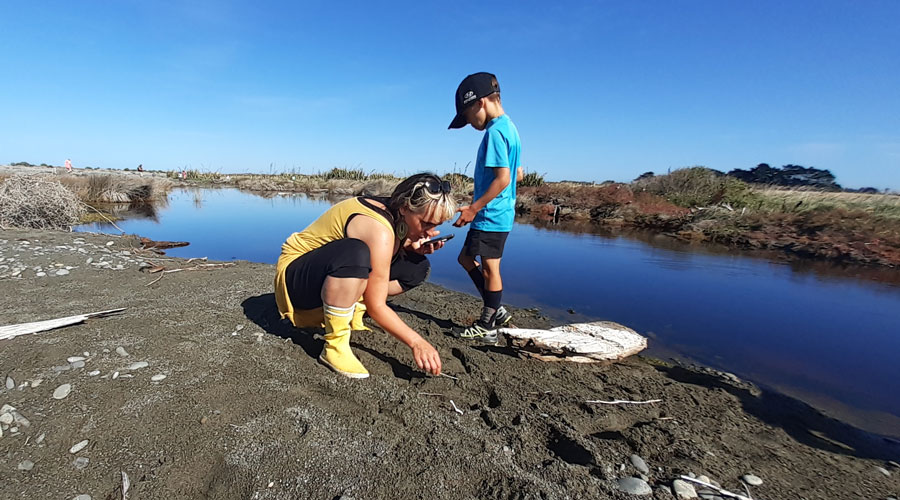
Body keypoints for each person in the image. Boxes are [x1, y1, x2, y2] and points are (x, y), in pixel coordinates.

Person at [274, 173, 456, 379]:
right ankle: (335, 345)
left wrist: (410, 245)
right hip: (294, 281)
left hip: (322, 273)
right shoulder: (377, 228)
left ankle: (348, 307)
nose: (430, 232)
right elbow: (377, 304)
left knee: (416, 267)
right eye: (426, 223)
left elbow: (385, 252)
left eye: (436, 226)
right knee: (355, 253)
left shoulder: (394, 211)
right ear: (405, 207)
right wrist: (417, 343)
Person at [448, 72, 522, 345]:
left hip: (491, 216)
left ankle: (487, 326)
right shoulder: (510, 128)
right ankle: (496, 308)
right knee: (465, 260)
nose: (468, 122)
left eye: (466, 116)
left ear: (479, 103)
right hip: (496, 213)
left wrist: (473, 208)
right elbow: (518, 174)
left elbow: (503, 178)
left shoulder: (494, 133)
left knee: (491, 269)